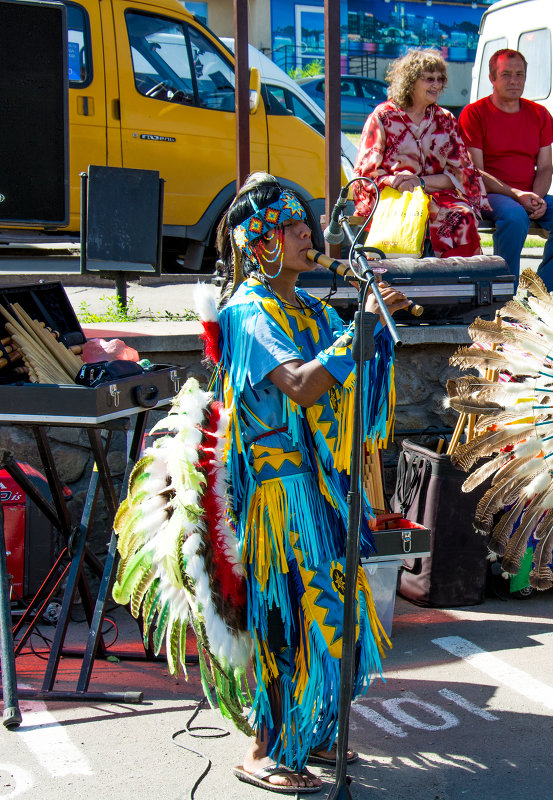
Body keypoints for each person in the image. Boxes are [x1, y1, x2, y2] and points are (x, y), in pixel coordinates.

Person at [214, 173, 409, 792]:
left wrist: (373, 333)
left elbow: (358, 394)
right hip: (281, 496)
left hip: (326, 488)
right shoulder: (247, 310)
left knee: (335, 616)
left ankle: (313, 727)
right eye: (293, 228)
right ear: (259, 240)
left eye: (308, 226)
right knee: (289, 618)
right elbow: (301, 384)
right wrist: (359, 333)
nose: (309, 236)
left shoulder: (311, 308)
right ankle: (265, 747)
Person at [459, 48, 553, 288]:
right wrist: (517, 195)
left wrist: (536, 198)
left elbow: (546, 167)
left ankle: (541, 291)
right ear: (492, 78)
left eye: (520, 74)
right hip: (490, 194)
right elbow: (475, 172)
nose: (514, 80)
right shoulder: (474, 113)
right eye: (506, 74)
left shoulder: (538, 114)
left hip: (529, 194)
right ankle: (504, 294)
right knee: (515, 216)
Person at [352, 49, 488, 258]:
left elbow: (461, 175)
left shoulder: (445, 120)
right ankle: (392, 285)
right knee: (413, 218)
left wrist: (420, 183)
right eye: (429, 79)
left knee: (462, 216)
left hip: (437, 195)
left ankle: (455, 285)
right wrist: (394, 181)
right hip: (394, 195)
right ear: (410, 81)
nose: (436, 85)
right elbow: (365, 173)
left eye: (440, 79)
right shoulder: (383, 116)